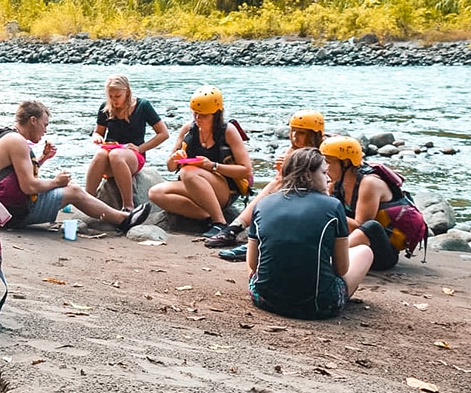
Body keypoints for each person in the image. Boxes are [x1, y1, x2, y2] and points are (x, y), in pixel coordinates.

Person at [0, 101, 150, 233]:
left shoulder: (6, 135)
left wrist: (42, 159)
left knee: (69, 189)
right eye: (45, 124)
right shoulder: (17, 142)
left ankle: (108, 216)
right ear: (33, 120)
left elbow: (11, 175)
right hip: (9, 214)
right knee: (73, 191)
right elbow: (28, 186)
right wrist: (57, 182)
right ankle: (124, 219)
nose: (45, 131)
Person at [247, 147, 373, 319]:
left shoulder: (263, 204)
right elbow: (342, 269)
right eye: (323, 173)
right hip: (318, 307)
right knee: (365, 252)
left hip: (264, 300)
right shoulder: (333, 206)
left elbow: (253, 265)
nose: (328, 179)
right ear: (308, 176)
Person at [209, 110, 325, 261]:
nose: (295, 136)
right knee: (276, 183)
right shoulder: (293, 151)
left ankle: (247, 237)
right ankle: (236, 228)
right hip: (292, 199)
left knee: (277, 184)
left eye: (301, 133)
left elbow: (322, 186)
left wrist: (287, 172)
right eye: (293, 131)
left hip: (313, 203)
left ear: (314, 134)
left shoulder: (322, 153)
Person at [148, 86, 253, 238]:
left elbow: (246, 170)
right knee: (155, 192)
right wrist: (174, 158)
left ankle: (220, 222)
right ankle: (206, 216)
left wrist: (213, 166)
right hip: (194, 186)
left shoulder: (228, 131)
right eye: (195, 114)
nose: (198, 118)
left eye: (203, 115)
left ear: (216, 115)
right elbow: (170, 168)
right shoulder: (188, 130)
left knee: (187, 172)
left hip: (224, 190)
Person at [320, 136, 425, 271]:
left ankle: (326, 259)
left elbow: (359, 227)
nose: (324, 167)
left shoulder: (369, 184)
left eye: (327, 162)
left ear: (345, 163)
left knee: (371, 227)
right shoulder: (336, 183)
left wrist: (324, 209)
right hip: (352, 249)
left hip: (381, 253)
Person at [83, 75, 169, 211]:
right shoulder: (105, 108)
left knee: (116, 155)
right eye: (110, 96)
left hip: (133, 156)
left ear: (127, 92)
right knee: (100, 154)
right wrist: (97, 137)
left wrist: (140, 148)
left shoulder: (143, 106)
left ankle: (128, 206)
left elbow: (163, 134)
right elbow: (98, 132)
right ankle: (88, 199)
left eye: (117, 96)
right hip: (110, 154)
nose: (114, 100)